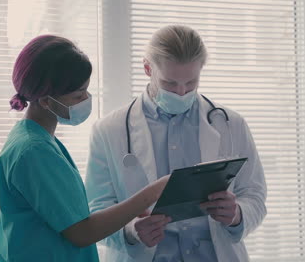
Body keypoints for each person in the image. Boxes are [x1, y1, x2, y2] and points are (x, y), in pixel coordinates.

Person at [85, 25, 267, 262]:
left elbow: (254, 195)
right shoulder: (109, 130)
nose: (181, 92)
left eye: (191, 83)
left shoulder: (231, 124)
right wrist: (130, 232)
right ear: (148, 68)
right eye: (170, 83)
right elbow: (95, 211)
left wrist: (237, 215)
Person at [0, 35, 169, 262]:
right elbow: (82, 232)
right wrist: (155, 191)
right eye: (78, 95)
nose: (86, 98)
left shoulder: (36, 139)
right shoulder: (34, 151)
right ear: (47, 101)